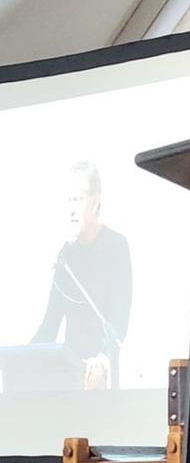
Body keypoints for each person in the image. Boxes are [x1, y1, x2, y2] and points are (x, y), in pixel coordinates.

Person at [32, 161, 132, 390]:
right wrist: (19, 359)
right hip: (69, 379)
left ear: (95, 201)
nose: (71, 208)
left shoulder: (116, 246)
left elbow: (118, 320)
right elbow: (49, 325)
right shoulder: (66, 255)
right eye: (68, 200)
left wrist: (103, 359)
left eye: (77, 199)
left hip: (100, 381)